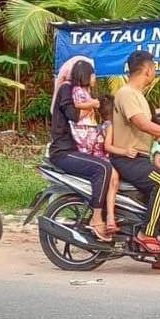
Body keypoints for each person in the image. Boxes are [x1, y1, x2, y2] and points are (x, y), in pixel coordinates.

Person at [109, 50, 160, 262]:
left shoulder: (138, 96)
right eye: (154, 68)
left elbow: (153, 130)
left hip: (140, 158)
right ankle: (147, 234)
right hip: (128, 159)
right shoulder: (126, 94)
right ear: (147, 69)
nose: (154, 71)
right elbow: (143, 125)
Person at [49, 57, 116, 242]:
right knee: (102, 168)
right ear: (85, 74)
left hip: (74, 150)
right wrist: (92, 105)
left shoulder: (80, 93)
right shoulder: (66, 88)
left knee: (110, 166)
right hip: (63, 151)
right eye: (93, 74)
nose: (95, 77)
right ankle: (96, 218)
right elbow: (73, 114)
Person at [96, 94, 137, 235]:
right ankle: (110, 218)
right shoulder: (110, 125)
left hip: (104, 158)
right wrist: (125, 151)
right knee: (114, 183)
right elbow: (107, 147)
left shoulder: (105, 125)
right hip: (105, 159)